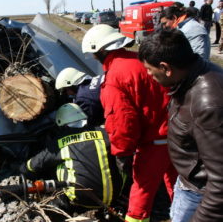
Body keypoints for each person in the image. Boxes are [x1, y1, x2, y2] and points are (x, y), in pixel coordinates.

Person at [81, 24, 177, 222]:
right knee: (179, 188)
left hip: (154, 144)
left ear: (100, 50)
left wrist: (122, 153)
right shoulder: (141, 61)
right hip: (177, 135)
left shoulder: (115, 76)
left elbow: (122, 121)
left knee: (139, 197)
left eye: (93, 53)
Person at [138, 28, 223, 222]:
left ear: (166, 68)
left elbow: (220, 183)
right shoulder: (190, 76)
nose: (149, 75)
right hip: (188, 182)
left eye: (150, 70)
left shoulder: (207, 104)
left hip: (199, 195)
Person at [19, 103, 123, 211]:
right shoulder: (103, 133)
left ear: (62, 124)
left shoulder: (60, 142)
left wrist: (23, 169)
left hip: (81, 199)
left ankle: (64, 202)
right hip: (114, 195)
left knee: (58, 164)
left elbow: (36, 163)